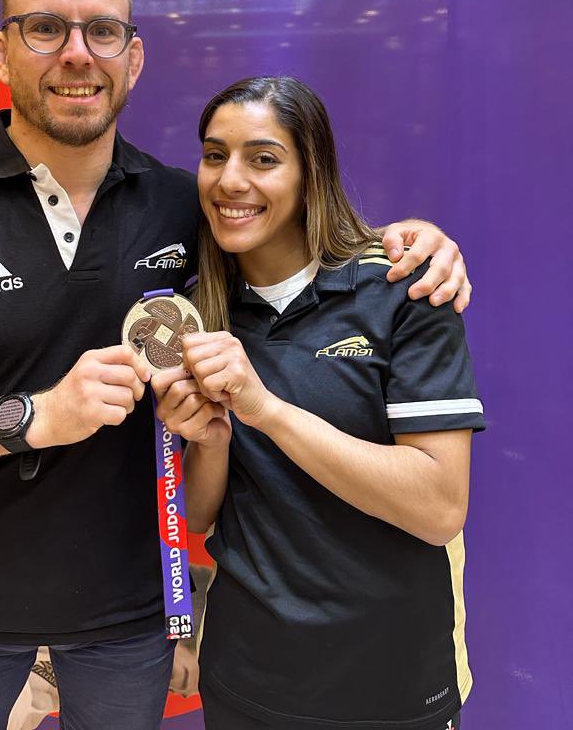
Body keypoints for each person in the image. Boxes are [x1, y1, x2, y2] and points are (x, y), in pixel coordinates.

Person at [0, 0, 470, 730]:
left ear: (133, 57)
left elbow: (293, 230)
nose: (76, 53)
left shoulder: (186, 207)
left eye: (102, 31)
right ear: (0, 50)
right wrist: (34, 417)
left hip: (126, 621)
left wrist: (412, 241)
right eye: (45, 27)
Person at [152, 76, 485, 730]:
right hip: (247, 686)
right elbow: (196, 513)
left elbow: (438, 506)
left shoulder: (402, 288)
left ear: (313, 173)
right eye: (215, 155)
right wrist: (213, 441)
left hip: (392, 687)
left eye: (263, 158)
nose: (230, 180)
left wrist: (264, 407)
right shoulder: (197, 314)